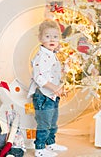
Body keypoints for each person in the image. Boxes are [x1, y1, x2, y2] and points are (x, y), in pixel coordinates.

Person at [28, 19, 67, 157]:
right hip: (43, 95)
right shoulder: (40, 56)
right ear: (40, 38)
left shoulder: (52, 54)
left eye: (55, 37)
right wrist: (54, 87)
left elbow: (54, 73)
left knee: (52, 120)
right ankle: (39, 148)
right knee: (44, 122)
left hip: (52, 94)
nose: (52, 39)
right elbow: (39, 78)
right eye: (47, 36)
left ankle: (50, 144)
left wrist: (59, 88)